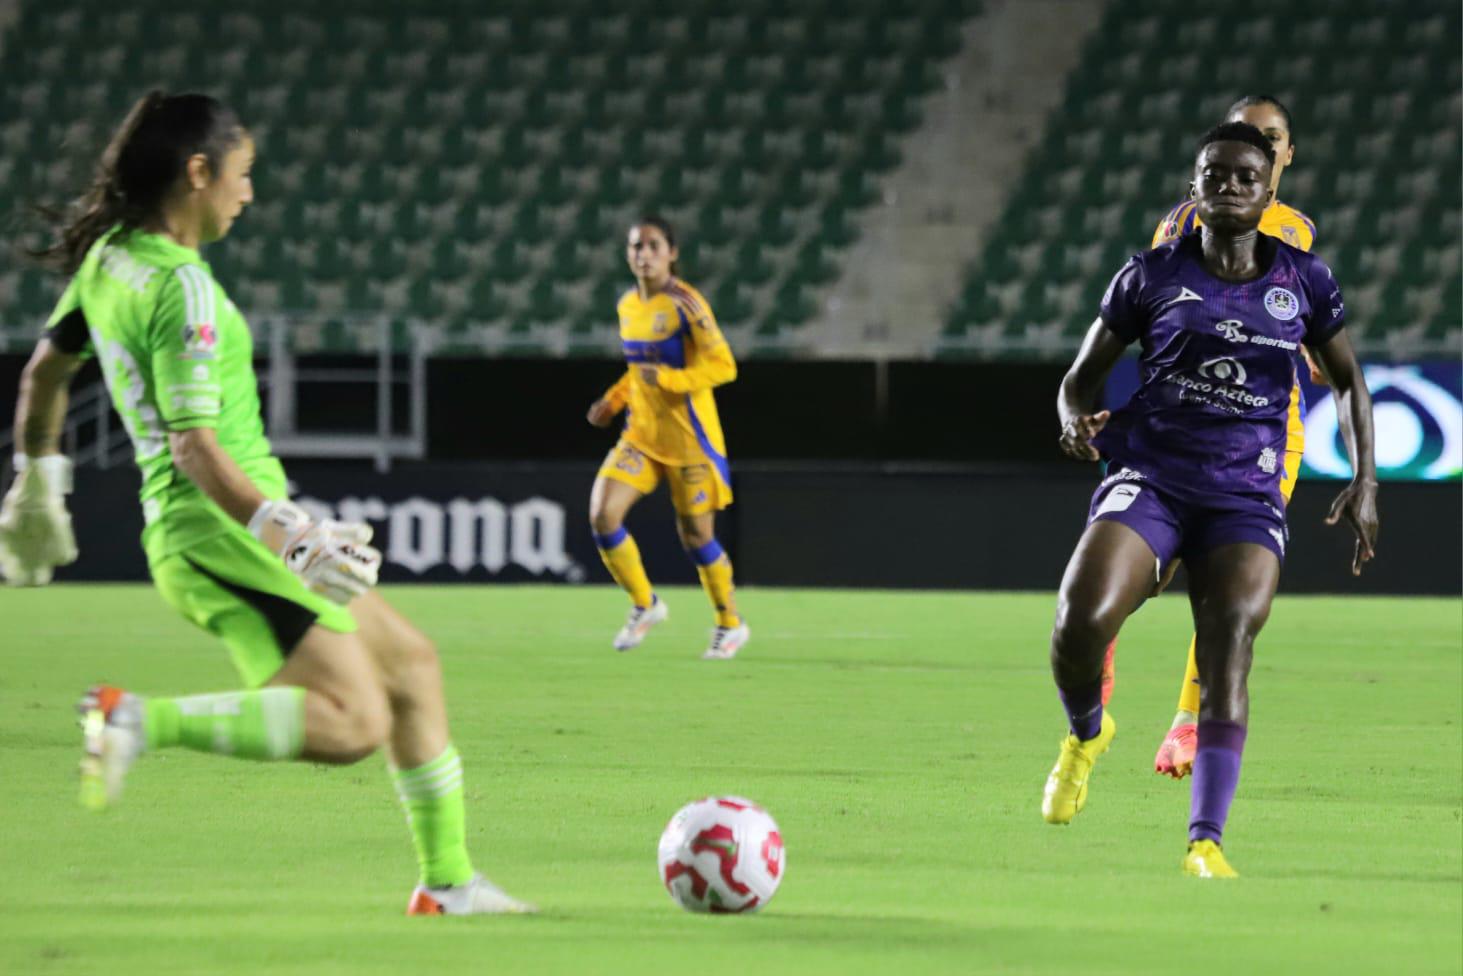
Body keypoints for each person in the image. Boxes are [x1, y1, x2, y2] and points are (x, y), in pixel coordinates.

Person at [0, 91, 532, 915]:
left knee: (411, 666)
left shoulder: (112, 258)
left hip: (217, 527)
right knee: (352, 724)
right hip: (216, 531)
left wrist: (38, 484)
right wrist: (289, 535)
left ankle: (448, 885)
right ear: (198, 172)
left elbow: (43, 375)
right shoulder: (182, 288)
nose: (248, 193)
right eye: (242, 174)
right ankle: (133, 719)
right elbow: (193, 446)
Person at [1040, 122, 1377, 878]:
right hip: (1152, 473)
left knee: (1228, 643)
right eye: (1213, 174)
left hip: (1244, 491)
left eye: (1244, 176)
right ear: (1192, 188)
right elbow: (1078, 380)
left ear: (1268, 190)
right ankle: (1086, 734)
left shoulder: (1304, 280)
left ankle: (1205, 841)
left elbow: (1348, 381)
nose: (1228, 186)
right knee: (1078, 621)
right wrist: (1071, 419)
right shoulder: (1149, 274)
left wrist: (1365, 479)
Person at [1107, 95, 1328, 777]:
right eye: (1249, 133)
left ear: (1286, 154)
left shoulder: (1293, 229)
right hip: (1186, 419)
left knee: (1225, 581)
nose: (1260, 144)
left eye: (1272, 137)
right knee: (1159, 565)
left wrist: (1311, 343)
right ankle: (1103, 627)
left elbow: (1286, 305)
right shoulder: (1190, 222)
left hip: (1266, 431)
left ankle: (1186, 722)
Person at [585, 216, 749, 660]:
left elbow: (724, 366)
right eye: (636, 246)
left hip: (689, 441)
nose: (644, 254)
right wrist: (614, 400)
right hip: (641, 436)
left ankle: (730, 624)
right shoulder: (627, 305)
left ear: (672, 254)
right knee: (603, 515)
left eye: (653, 246)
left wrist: (672, 380)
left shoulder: (686, 304)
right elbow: (639, 371)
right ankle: (645, 604)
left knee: (696, 537)